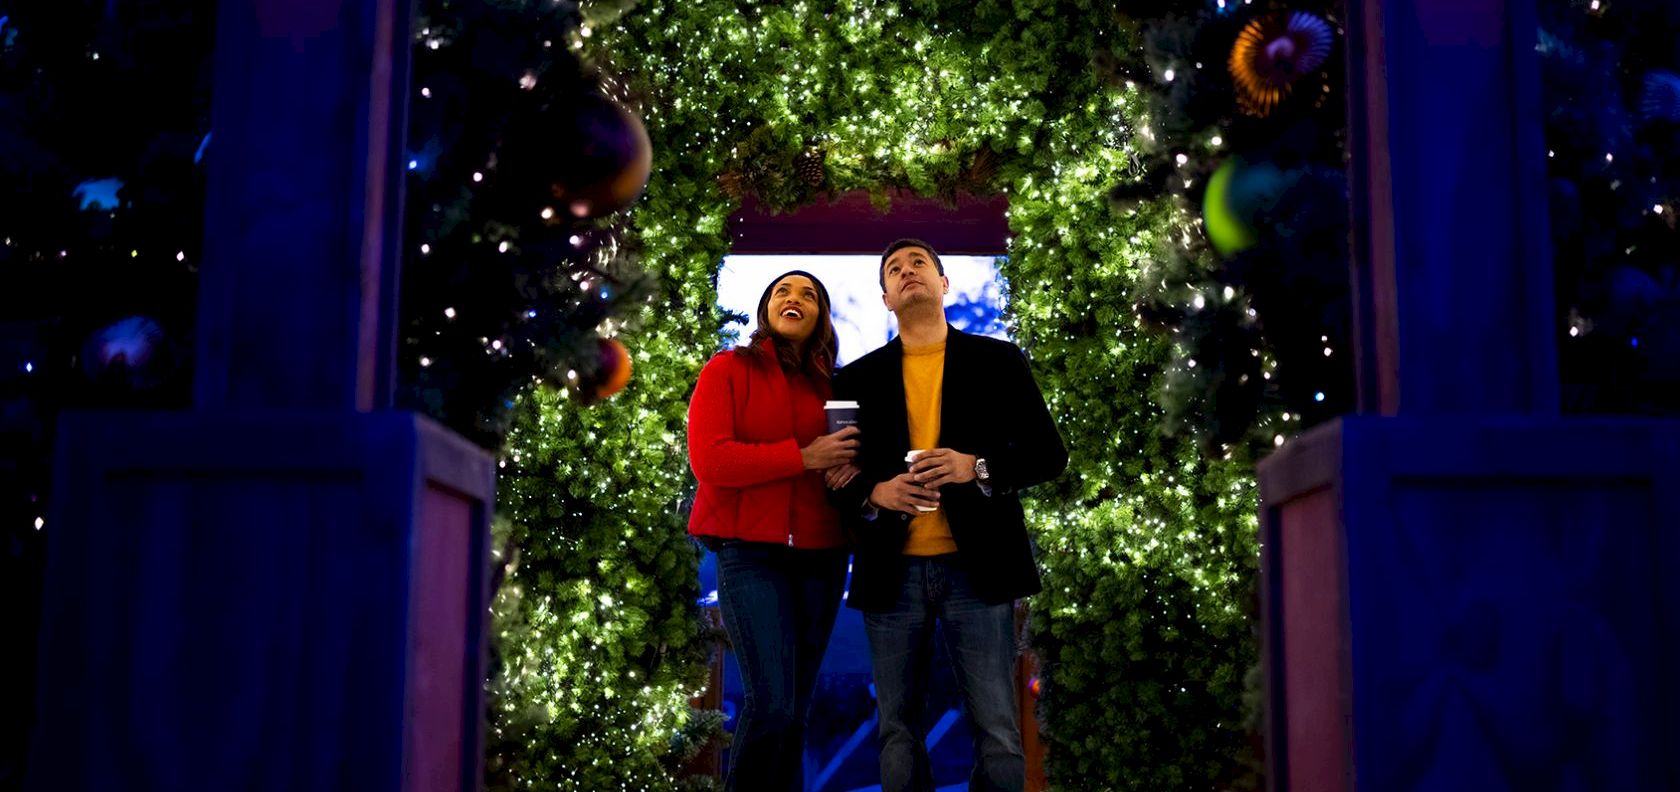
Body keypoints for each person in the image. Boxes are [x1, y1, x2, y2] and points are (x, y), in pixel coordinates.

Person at [831, 239, 1067, 792]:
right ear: (886, 298)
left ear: (943, 284)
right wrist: (875, 492)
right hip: (891, 572)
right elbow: (836, 478)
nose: (907, 271)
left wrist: (976, 466)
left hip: (978, 568)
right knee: (896, 734)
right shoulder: (853, 380)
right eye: (894, 269)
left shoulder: (999, 361)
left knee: (999, 730)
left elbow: (1048, 455)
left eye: (919, 263)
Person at [685, 270, 862, 792]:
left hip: (824, 556)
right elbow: (711, 461)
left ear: (820, 316)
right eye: (783, 290)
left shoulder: (836, 387)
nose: (794, 298)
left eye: (809, 295)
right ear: (766, 308)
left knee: (796, 712)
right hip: (750, 554)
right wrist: (803, 457)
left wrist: (851, 470)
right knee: (773, 707)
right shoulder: (727, 369)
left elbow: (848, 465)